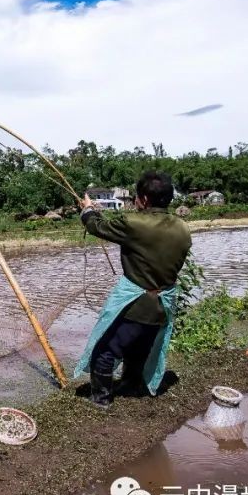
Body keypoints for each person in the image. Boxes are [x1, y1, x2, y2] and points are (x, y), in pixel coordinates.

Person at [72, 171, 192, 408]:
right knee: (138, 348)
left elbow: (97, 226)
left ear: (144, 200)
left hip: (136, 305)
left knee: (104, 352)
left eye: (137, 197)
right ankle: (130, 383)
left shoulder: (133, 223)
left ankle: (101, 398)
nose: (136, 201)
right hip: (162, 305)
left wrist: (87, 209)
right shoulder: (182, 228)